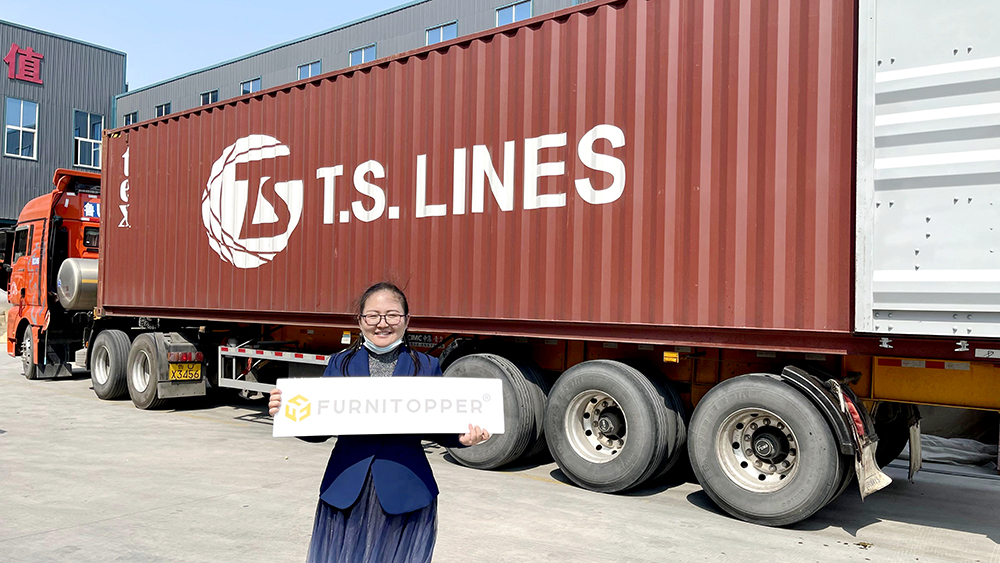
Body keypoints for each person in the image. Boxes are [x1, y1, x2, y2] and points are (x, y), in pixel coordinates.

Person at [268, 282, 490, 563]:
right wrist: (287, 414)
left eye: (392, 315)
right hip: (347, 489)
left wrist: (461, 438)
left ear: (406, 320)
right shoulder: (340, 364)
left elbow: (438, 425)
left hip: (405, 490)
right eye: (373, 315)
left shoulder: (426, 366)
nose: (382, 323)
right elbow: (319, 429)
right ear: (360, 321)